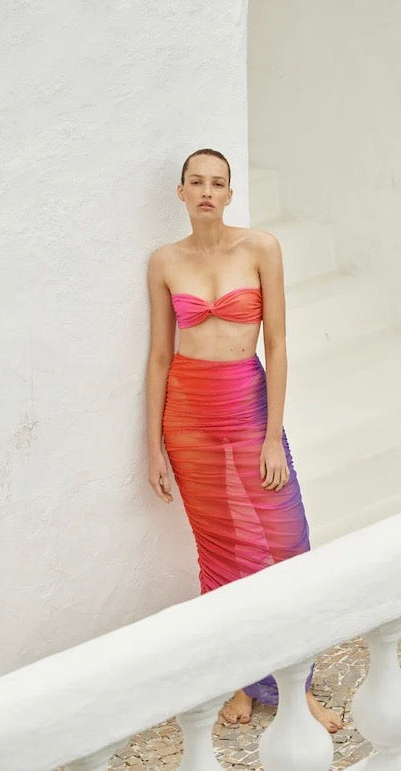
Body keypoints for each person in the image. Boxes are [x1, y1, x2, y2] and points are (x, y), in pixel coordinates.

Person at [146, 147, 343, 734]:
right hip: (187, 416)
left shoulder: (260, 248)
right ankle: (238, 678)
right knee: (221, 553)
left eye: (217, 183)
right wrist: (153, 447)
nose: (207, 191)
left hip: (248, 406)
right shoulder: (164, 261)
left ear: (230, 194)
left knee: (286, 544)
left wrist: (272, 436)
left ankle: (295, 686)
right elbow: (159, 357)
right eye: (196, 182)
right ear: (181, 192)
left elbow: (276, 344)